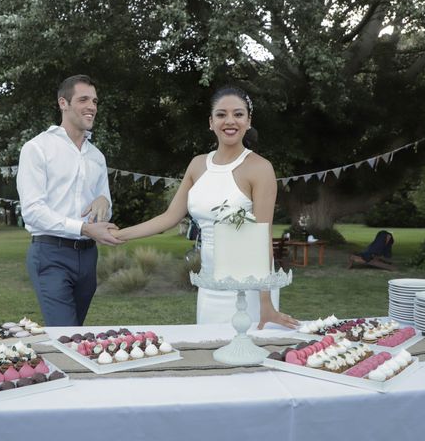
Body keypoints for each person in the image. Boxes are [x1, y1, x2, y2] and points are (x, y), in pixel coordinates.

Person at [111, 86, 298, 329]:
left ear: (248, 121)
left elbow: (262, 237)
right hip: (210, 283)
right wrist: (119, 235)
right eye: (221, 114)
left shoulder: (260, 168)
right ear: (211, 122)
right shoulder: (197, 165)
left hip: (249, 284)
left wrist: (266, 301)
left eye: (238, 114)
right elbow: (169, 217)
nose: (230, 121)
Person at [17, 74, 123, 327]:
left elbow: (104, 208)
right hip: (50, 254)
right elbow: (32, 211)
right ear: (63, 103)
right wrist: (84, 227)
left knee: (74, 333)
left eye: (95, 101)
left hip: (88, 257)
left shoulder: (96, 156)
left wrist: (103, 203)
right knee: (66, 333)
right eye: (83, 99)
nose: (92, 107)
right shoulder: (37, 148)